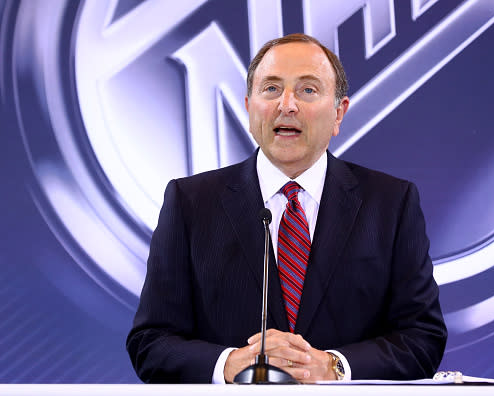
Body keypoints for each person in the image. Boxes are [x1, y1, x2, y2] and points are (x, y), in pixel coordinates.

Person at [126, 33, 447, 384]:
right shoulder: (189, 202)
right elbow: (150, 343)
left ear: (339, 112)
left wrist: (333, 367)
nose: (287, 105)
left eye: (308, 90)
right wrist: (231, 364)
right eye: (271, 89)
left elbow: (422, 338)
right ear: (249, 108)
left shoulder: (390, 203)